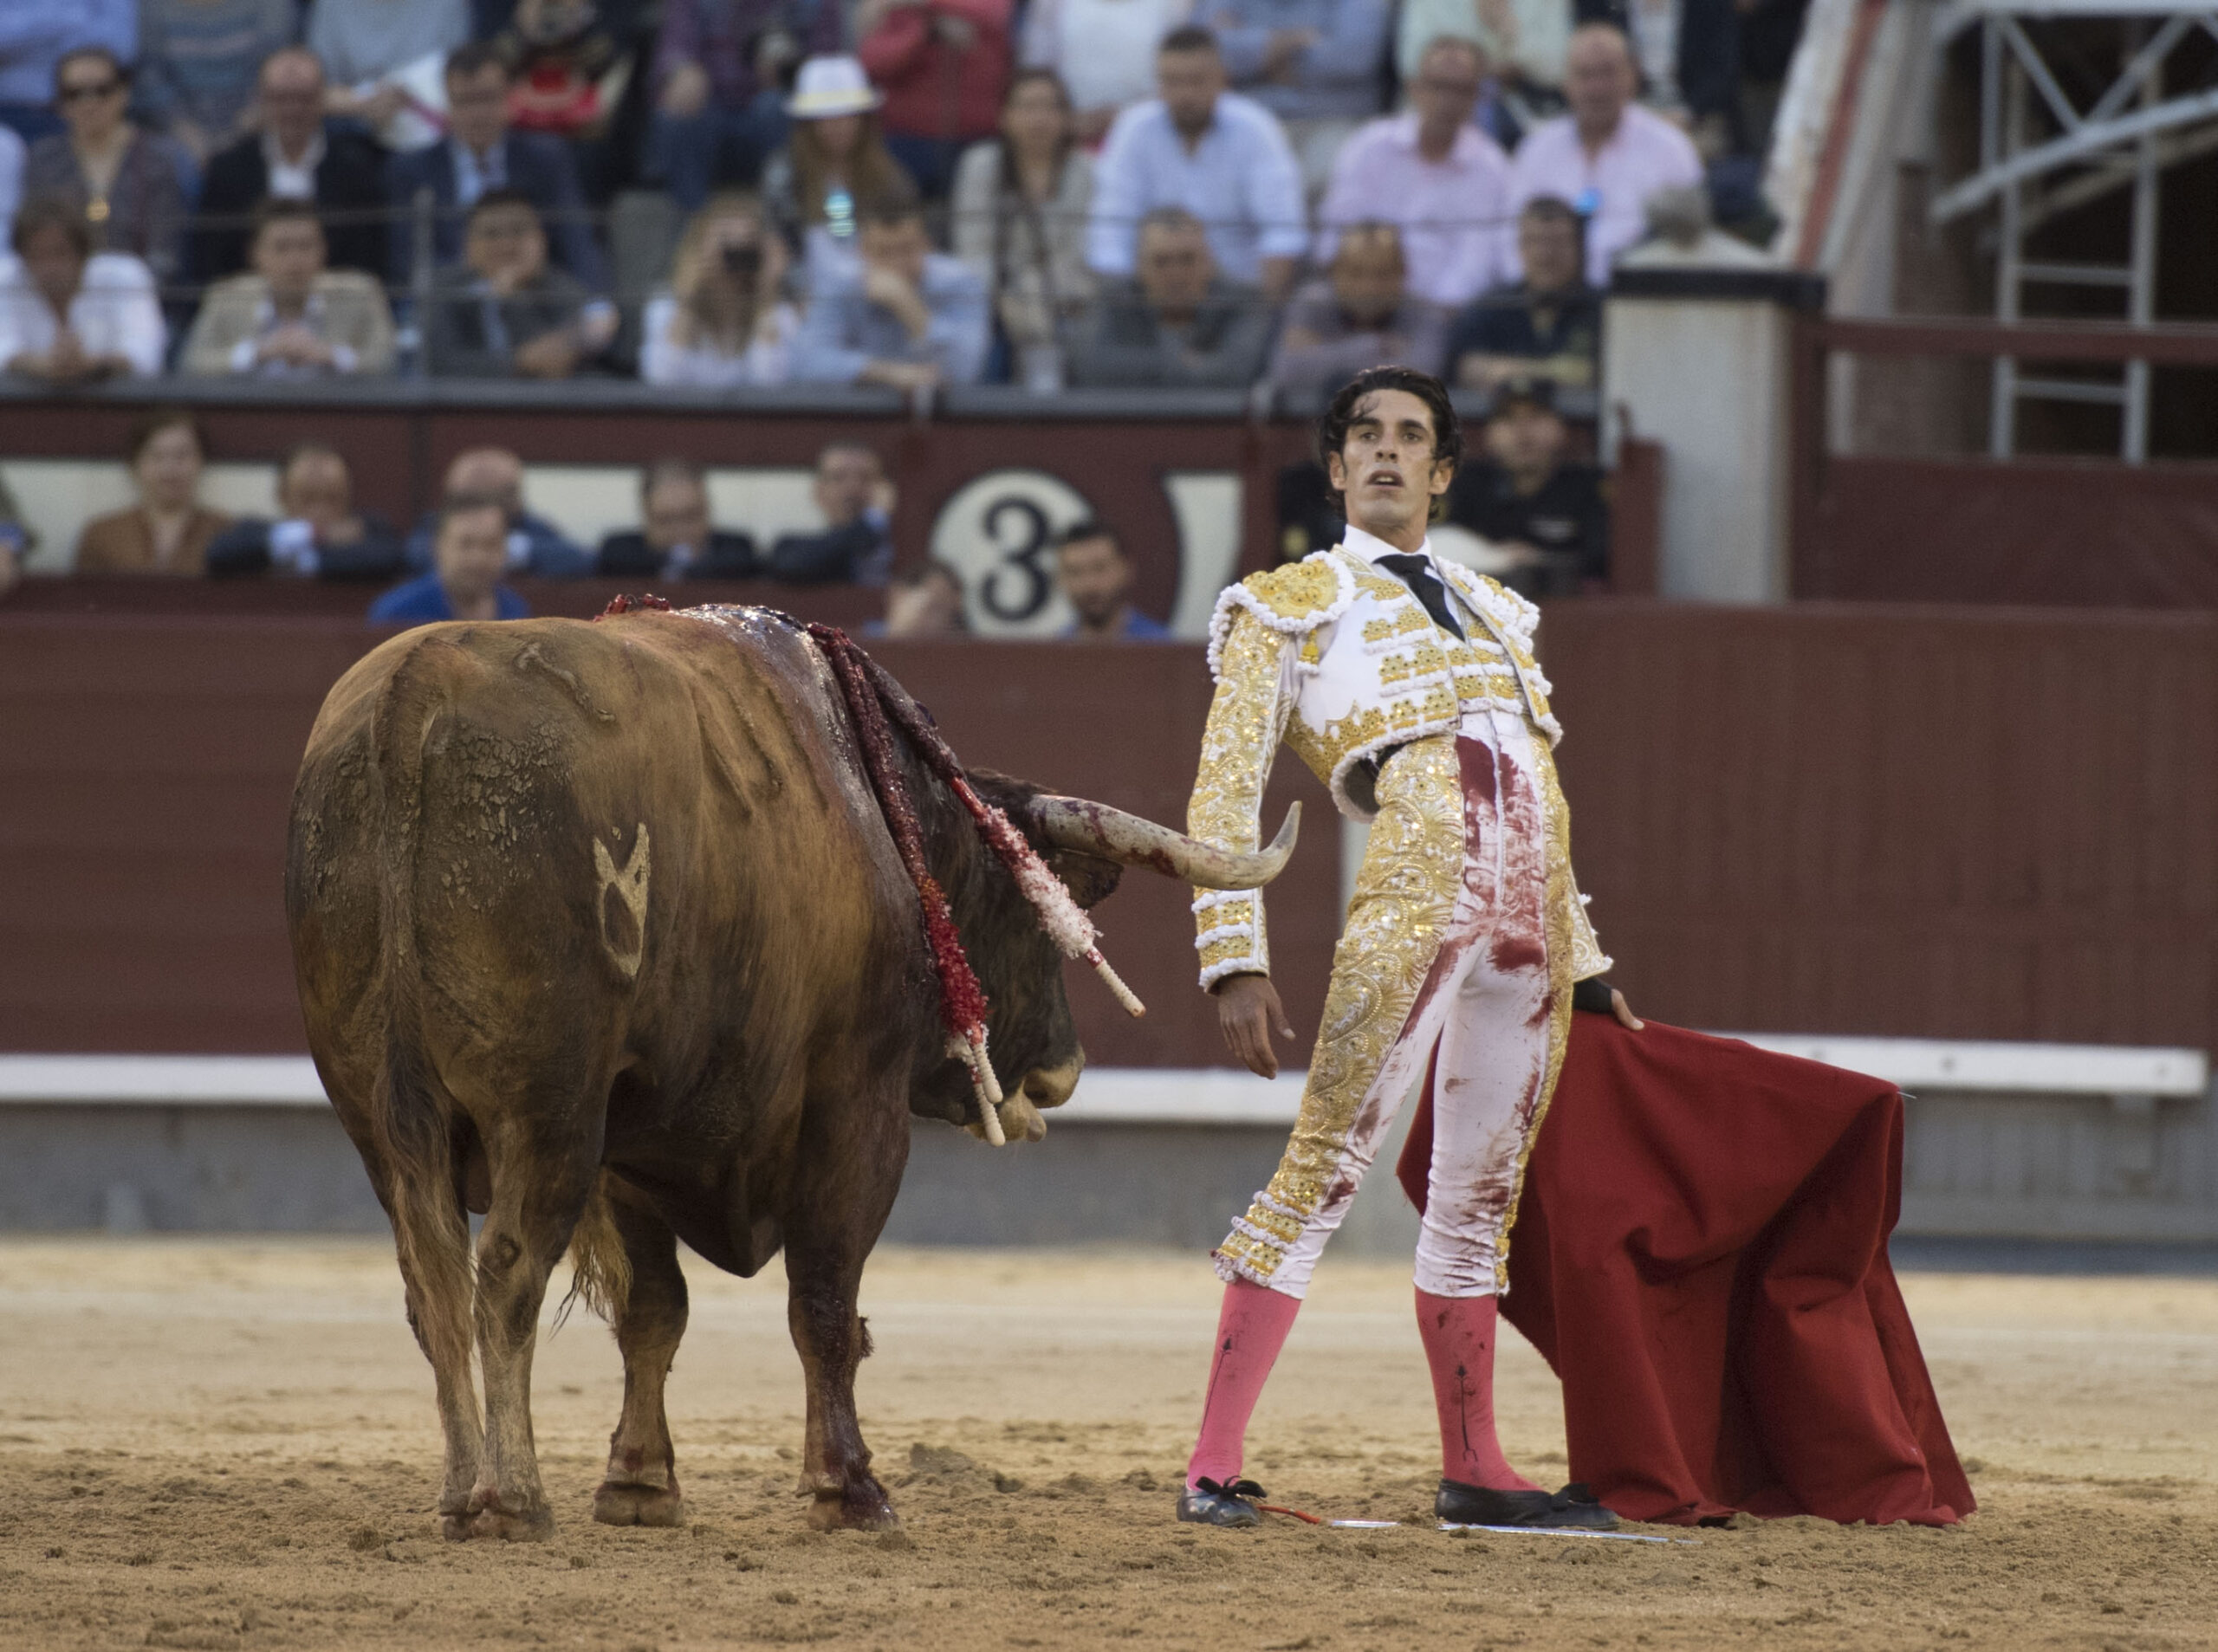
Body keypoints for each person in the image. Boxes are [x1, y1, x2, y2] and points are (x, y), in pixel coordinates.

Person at [1173, 365, 1637, 1532]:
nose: (1386, 450)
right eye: (1365, 435)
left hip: (1530, 923)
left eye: (1410, 435)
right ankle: (1212, 1464)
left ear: (1442, 471)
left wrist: (1585, 960)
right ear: (1335, 468)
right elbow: (1225, 791)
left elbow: (1541, 785)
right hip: (1416, 895)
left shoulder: (1501, 608)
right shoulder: (1283, 602)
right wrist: (1233, 953)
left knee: (1481, 1197)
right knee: (1322, 1167)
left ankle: (1475, 1466)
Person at [1086, 27, 1304, 304]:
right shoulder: (1133, 129)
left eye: (1196, 81)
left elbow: (1282, 234)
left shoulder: (1256, 128)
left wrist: (1261, 314)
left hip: (1240, 299)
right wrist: (1125, 311)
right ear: (1158, 82)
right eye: (1173, 82)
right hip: (1152, 303)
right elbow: (1110, 234)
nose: (1185, 94)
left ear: (1222, 79)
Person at [386, 42, 609, 295]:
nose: (478, 113)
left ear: (508, 97)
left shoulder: (545, 158)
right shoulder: (412, 170)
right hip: (455, 302)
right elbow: (410, 260)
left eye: (487, 98)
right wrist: (479, 287)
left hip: (537, 296)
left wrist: (596, 302)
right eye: (465, 101)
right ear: (447, 104)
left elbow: (576, 240)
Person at [1314, 36, 1514, 311]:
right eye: (1438, 86)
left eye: (1461, 89)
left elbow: (1477, 262)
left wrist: (1434, 312)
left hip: (1441, 313)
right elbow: (1336, 232)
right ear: (1414, 88)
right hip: (1353, 298)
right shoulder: (1370, 145)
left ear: (1477, 97)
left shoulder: (1492, 168)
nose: (1447, 100)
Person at [1508, 22, 1702, 288]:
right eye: (1585, 75)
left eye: (1608, 73)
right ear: (1566, 82)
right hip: (1552, 297)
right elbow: (1510, 236)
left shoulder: (1671, 149)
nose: (1597, 87)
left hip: (1637, 296)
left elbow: (1687, 241)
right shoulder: (1536, 150)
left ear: (1632, 76)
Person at [191, 46, 392, 282]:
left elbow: (369, 258)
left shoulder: (355, 169)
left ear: (321, 99)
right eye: (281, 98)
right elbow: (210, 260)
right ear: (261, 100)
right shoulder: (228, 171)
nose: (293, 109)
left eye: (304, 98)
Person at [950, 67, 1093, 386]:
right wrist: (1006, 299)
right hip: (992, 301)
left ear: (1066, 117)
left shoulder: (1086, 171)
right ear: (1005, 116)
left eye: (1049, 107)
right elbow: (972, 250)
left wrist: (1034, 291)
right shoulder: (980, 164)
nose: (1038, 119)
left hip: (1064, 302)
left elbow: (1081, 255)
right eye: (1027, 107)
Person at [645, 0, 841, 211]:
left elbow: (829, 71)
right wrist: (680, 73)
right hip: (712, 114)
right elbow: (672, 55)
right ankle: (695, 219)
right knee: (676, 115)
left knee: (775, 107)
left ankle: (785, 217)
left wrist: (791, 74)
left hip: (776, 117)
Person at [23, 48, 188, 288]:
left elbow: (165, 249)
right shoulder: (44, 160)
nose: (89, 103)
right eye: (74, 94)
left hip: (139, 295)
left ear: (124, 93)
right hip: (58, 294)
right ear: (60, 102)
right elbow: (34, 238)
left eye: (101, 90)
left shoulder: (157, 159)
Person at [792, 195, 990, 389]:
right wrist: (887, 373)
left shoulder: (960, 283)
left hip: (936, 410)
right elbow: (805, 366)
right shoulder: (840, 284)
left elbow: (965, 372)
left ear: (927, 245)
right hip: (861, 408)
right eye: (884, 252)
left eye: (907, 249)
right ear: (862, 251)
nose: (897, 264)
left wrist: (909, 306)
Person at [181, 197, 396, 376]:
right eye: (281, 248)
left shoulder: (359, 294)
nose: (295, 260)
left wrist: (333, 356)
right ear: (255, 254)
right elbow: (192, 363)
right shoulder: (227, 297)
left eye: (305, 246)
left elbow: (388, 362)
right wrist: (257, 353)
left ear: (324, 250)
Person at [423, 188, 617, 379]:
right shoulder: (442, 289)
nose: (506, 245)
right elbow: (439, 363)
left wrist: (513, 299)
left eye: (518, 231)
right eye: (491, 234)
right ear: (468, 244)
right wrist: (518, 362)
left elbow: (562, 357)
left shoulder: (560, 286)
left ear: (541, 238)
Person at [1068, 204, 1268, 389]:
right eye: (1161, 262)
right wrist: (1187, 364)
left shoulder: (1242, 302)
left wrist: (1140, 365)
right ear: (1140, 268)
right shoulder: (1114, 302)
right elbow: (1089, 365)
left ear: (1209, 263)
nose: (1176, 274)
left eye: (1187, 259)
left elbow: (1239, 372)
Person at [1446, 373, 1607, 599]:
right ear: (1489, 433)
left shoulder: (1587, 488)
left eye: (1536, 416)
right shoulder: (1465, 484)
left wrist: (1542, 560)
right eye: (1508, 419)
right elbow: (1441, 545)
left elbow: (1602, 558)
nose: (1522, 432)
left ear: (1561, 427)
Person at [761, 55, 918, 287]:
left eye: (847, 115)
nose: (837, 126)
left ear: (864, 120)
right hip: (811, 290)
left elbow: (908, 239)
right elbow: (779, 246)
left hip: (881, 284)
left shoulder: (888, 174)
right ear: (807, 124)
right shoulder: (784, 174)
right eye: (824, 118)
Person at [1203, 0, 1391, 187]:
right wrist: (1292, 43)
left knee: (1333, 175)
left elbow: (1353, 59)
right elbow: (1203, 51)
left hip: (1329, 122)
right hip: (1245, 121)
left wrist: (1255, 58)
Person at [854, 0, 1015, 200]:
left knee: (972, 211)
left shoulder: (903, 4)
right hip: (907, 140)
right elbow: (876, 63)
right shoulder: (904, 14)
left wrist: (923, 5)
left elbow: (995, 11)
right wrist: (927, 28)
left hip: (978, 140)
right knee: (902, 210)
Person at [639, 191, 801, 389]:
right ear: (698, 248)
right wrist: (687, 304)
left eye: (746, 244)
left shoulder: (778, 314)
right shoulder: (666, 308)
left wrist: (766, 295)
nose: (735, 253)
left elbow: (770, 385)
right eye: (726, 242)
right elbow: (661, 380)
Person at [1267, 222, 1446, 398]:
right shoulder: (1311, 303)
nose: (1369, 287)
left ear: (1403, 273)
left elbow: (1424, 375)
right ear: (1333, 273)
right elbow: (1286, 371)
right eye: (1356, 273)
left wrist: (1323, 352)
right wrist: (1378, 346)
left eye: (1382, 274)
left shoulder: (1422, 310)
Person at [0, 198, 165, 382]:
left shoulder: (125, 275)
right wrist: (40, 365)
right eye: (36, 255)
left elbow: (144, 353)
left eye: (60, 252)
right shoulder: (5, 280)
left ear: (83, 253)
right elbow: (3, 348)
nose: (49, 267)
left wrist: (90, 365)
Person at [1446, 195, 1599, 392]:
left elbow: (1604, 372)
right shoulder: (1494, 305)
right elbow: (1468, 369)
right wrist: (1559, 371)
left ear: (1579, 247)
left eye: (1558, 242)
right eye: (1535, 241)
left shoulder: (1602, 308)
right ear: (1520, 247)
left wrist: (1508, 371)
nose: (1545, 255)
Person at [204, 442, 406, 579]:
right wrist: (314, 535)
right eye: (308, 499)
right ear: (282, 495)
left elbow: (389, 558)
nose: (320, 511)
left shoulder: (370, 530)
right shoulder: (252, 532)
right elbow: (219, 554)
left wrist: (298, 556)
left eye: (332, 498)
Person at [133, 0, 297, 165]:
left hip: (255, 136)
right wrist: (185, 133)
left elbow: (277, 69)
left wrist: (237, 137)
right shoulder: (153, 8)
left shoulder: (270, 6)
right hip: (174, 143)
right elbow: (149, 80)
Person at [74, 409, 230, 574]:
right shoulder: (102, 535)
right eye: (157, 456)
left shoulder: (226, 533)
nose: (170, 469)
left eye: (182, 456)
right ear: (134, 464)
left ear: (201, 461)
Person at [401, 445, 593, 578]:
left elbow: (578, 559)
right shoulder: (434, 524)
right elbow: (417, 557)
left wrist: (515, 549)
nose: (518, 499)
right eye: (509, 492)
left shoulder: (526, 525)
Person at [1019, 0, 1192, 145]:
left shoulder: (1173, 5)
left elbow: (1183, 72)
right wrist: (1067, 120)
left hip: (1147, 135)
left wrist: (1126, 118)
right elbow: (1036, 71)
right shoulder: (1051, 4)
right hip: (1068, 137)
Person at [308, 0, 471, 133]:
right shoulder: (331, 5)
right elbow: (316, 92)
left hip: (435, 131)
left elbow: (465, 76)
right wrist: (366, 102)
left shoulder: (447, 4)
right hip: (352, 132)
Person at [370, 492, 531, 624]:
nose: (478, 558)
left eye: (491, 544)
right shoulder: (396, 613)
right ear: (438, 546)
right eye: (466, 544)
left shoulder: (515, 611)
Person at [596, 457, 761, 580]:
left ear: (707, 510)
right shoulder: (620, 559)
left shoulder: (738, 557)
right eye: (666, 520)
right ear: (646, 516)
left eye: (690, 517)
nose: (680, 530)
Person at [0, 3, 137, 146]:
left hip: (80, 106)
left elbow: (119, 44)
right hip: (6, 112)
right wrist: (63, 22)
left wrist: (26, 38)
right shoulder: (70, 20)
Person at [768, 440, 897, 585]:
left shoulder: (905, 549)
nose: (852, 488)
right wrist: (873, 519)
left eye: (865, 478)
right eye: (838, 478)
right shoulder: (795, 550)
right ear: (818, 492)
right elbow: (791, 565)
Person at [1054, 519, 1168, 638]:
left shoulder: (1161, 646)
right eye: (1075, 572)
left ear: (1126, 569)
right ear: (1060, 578)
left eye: (1099, 568)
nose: (1089, 584)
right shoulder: (1055, 647)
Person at [868, 556, 967, 636]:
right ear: (897, 595)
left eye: (950, 615)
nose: (941, 623)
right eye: (936, 608)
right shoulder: (862, 644)